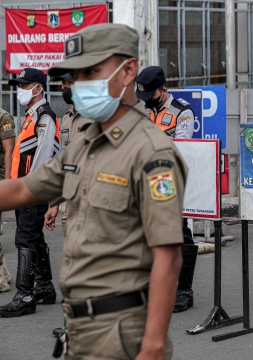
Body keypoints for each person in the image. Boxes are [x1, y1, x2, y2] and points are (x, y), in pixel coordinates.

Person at [0, 23, 187, 359]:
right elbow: (24, 189)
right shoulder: (86, 142)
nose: (78, 85)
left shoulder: (152, 152)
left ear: (128, 70)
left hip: (122, 333)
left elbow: (168, 256)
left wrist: (153, 346)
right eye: (74, 75)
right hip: (78, 328)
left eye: (90, 72)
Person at [136, 66, 198, 313]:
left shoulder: (182, 112)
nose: (146, 100)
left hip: (170, 182)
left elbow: (181, 150)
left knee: (178, 233)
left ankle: (183, 290)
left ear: (164, 90)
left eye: (151, 94)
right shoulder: (145, 111)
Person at [0, 68, 60, 317]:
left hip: (32, 189)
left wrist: (29, 189)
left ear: (38, 88)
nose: (20, 90)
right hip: (24, 188)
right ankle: (45, 287)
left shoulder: (44, 116)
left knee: (24, 239)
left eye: (25, 86)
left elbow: (44, 157)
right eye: (19, 85)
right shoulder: (31, 115)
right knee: (34, 238)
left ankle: (25, 295)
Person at [44, 73, 92, 235]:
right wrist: (55, 204)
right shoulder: (67, 118)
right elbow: (65, 162)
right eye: (63, 83)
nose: (64, 87)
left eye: (69, 82)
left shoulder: (97, 117)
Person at [0, 107, 15, 292]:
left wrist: (8, 185)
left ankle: (1, 281)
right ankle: (4, 271)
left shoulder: (3, 117)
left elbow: (9, 151)